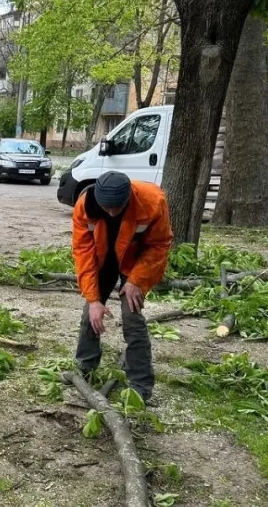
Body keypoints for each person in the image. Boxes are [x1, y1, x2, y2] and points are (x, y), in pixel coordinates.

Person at [72, 171, 173, 401]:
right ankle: (84, 366)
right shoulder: (85, 207)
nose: (110, 212)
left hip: (135, 264)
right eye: (106, 208)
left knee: (132, 315)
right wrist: (93, 299)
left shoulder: (153, 201)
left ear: (127, 198)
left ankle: (140, 383)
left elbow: (160, 244)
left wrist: (137, 280)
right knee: (91, 313)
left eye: (116, 208)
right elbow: (82, 252)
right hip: (102, 260)